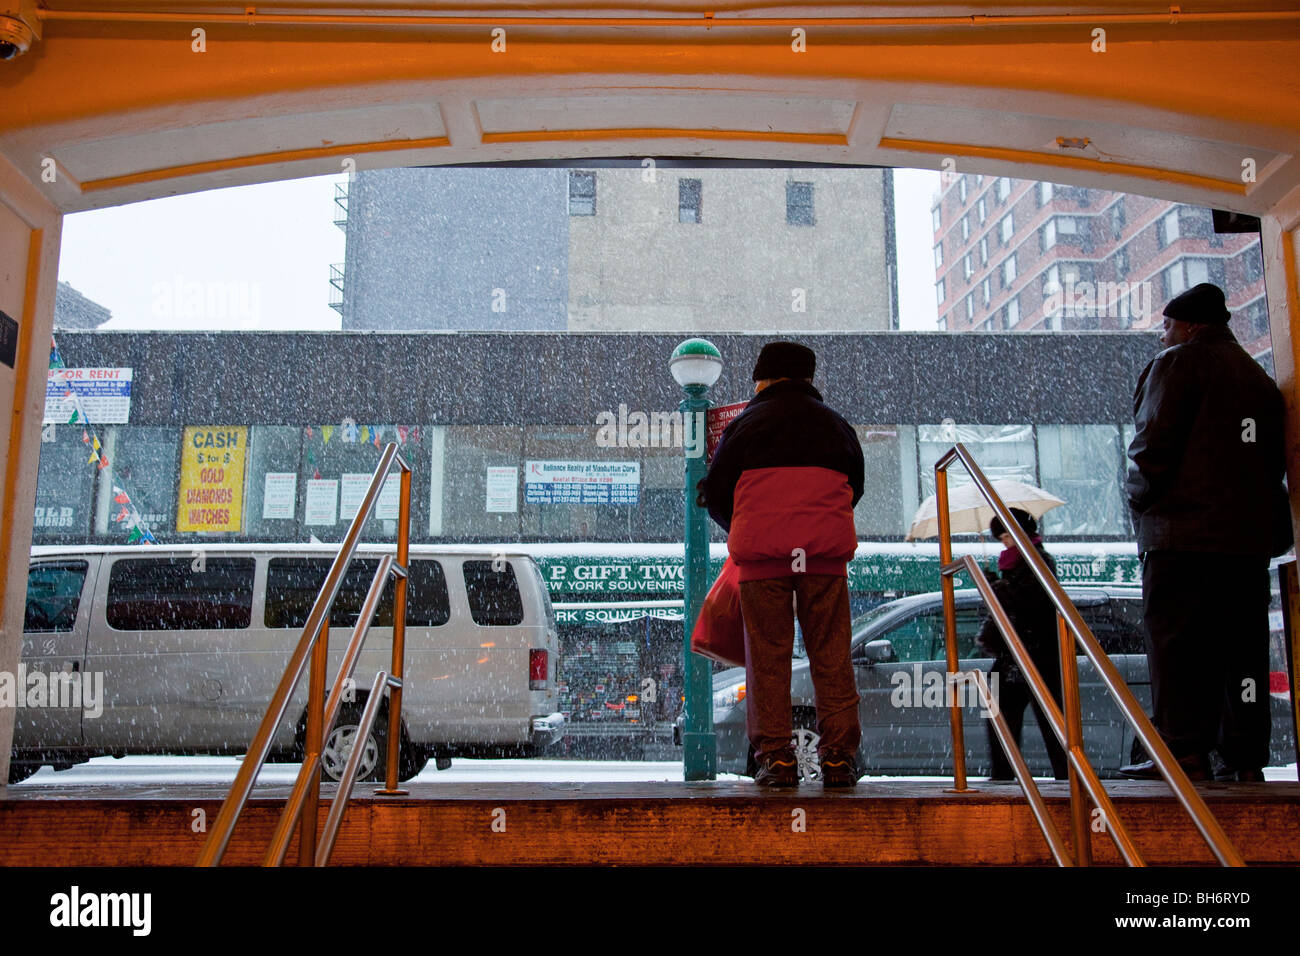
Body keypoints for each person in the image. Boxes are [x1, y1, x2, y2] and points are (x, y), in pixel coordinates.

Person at [1121, 282, 1289, 783]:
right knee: (1242, 650)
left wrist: (1139, 501)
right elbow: (1268, 461)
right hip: (1244, 545)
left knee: (1178, 648)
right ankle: (1243, 750)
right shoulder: (1258, 379)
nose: (1163, 337)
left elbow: (1152, 447)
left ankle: (1182, 750)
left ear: (1190, 326)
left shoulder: (1179, 364)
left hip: (1182, 540)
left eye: (1167, 326)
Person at [701, 341, 865, 787]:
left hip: (763, 560)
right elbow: (855, 485)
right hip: (823, 559)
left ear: (766, 378)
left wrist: (749, 525)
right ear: (808, 379)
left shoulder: (745, 425)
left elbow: (715, 492)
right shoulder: (836, 427)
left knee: (767, 660)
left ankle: (776, 758)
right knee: (831, 656)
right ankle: (838, 758)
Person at [975, 508, 1069, 782]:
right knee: (1001, 717)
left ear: (1020, 534)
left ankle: (1067, 779)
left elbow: (1026, 601)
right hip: (1014, 656)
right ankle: (1003, 775)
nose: (1004, 543)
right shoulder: (1016, 563)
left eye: (1006, 536)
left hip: (1038, 656)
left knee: (1052, 723)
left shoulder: (1039, 560)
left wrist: (995, 587)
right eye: (1000, 538)